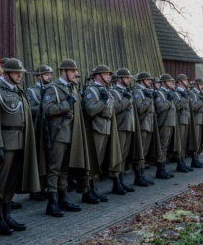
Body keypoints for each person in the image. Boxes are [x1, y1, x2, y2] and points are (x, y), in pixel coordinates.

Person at [0, 58, 40, 236]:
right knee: (0, 184)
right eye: (16, 73)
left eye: (21, 73)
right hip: (5, 142)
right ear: (5, 73)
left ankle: (7, 215)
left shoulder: (18, 91)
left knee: (12, 183)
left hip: (20, 141)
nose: (19, 76)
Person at [40, 59, 91, 213]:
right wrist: (66, 104)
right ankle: (52, 202)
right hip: (58, 134)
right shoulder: (53, 89)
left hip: (71, 133)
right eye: (73, 71)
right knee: (54, 168)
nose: (76, 74)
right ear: (64, 72)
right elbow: (48, 109)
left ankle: (63, 198)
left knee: (64, 169)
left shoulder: (72, 88)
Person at [82, 65, 125, 196]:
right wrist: (102, 100)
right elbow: (90, 110)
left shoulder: (105, 90)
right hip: (97, 127)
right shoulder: (91, 90)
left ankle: (94, 187)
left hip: (106, 127)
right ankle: (87, 190)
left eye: (108, 74)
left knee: (99, 161)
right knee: (92, 161)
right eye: (105, 74)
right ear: (97, 76)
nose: (108, 77)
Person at [110, 68, 143, 192]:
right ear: (119, 79)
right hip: (120, 127)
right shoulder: (114, 92)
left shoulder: (126, 91)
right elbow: (114, 109)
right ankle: (116, 182)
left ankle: (122, 180)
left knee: (124, 156)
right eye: (127, 77)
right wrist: (125, 99)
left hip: (129, 126)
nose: (129, 80)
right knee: (118, 156)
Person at [25, 65, 53, 202]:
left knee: (48, 159)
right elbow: (29, 110)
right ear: (39, 76)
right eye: (46, 74)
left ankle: (45, 187)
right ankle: (35, 190)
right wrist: (43, 106)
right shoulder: (32, 91)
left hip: (49, 128)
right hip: (37, 129)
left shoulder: (51, 89)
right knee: (38, 159)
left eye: (50, 74)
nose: (49, 76)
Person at [130, 72, 160, 186]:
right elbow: (140, 109)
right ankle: (138, 176)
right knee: (140, 151)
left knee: (145, 151)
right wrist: (148, 99)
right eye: (147, 80)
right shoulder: (138, 91)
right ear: (142, 80)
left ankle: (142, 175)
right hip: (142, 124)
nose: (150, 82)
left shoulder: (145, 91)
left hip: (149, 124)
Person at [154, 74, 179, 177]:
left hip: (170, 122)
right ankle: (160, 169)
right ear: (163, 83)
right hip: (163, 123)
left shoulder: (168, 93)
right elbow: (160, 107)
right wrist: (169, 101)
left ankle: (163, 168)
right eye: (168, 81)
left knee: (166, 146)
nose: (170, 83)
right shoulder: (160, 93)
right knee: (162, 146)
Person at [171, 74, 194, 173]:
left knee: (184, 142)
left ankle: (183, 162)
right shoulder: (176, 93)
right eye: (185, 80)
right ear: (180, 81)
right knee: (180, 142)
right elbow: (176, 106)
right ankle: (179, 163)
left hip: (186, 119)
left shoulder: (185, 92)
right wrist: (184, 99)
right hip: (181, 120)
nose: (187, 81)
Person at [186, 78, 203, 168]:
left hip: (201, 119)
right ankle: (194, 160)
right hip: (196, 119)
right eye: (201, 84)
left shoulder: (199, 93)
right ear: (196, 85)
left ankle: (196, 159)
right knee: (196, 140)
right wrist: (200, 101)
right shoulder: (192, 93)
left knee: (199, 141)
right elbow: (193, 106)